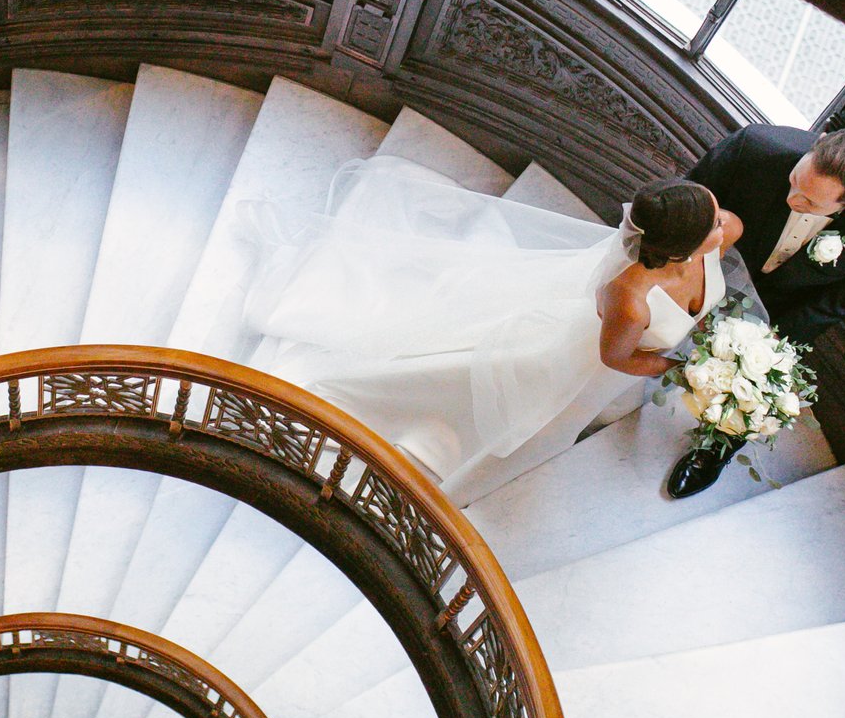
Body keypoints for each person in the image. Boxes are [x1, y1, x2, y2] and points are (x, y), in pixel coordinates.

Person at [238, 160, 759, 497]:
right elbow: (615, 359)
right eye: (713, 221)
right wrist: (687, 366)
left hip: (624, 351)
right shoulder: (628, 297)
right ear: (677, 247)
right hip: (574, 359)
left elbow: (714, 259)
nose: (726, 223)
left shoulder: (719, 233)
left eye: (715, 214)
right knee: (507, 401)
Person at [686, 124, 845, 346]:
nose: (793, 199)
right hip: (693, 274)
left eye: (811, 203)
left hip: (766, 316)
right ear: (819, 141)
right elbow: (690, 200)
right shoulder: (754, 146)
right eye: (796, 180)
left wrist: (773, 339)